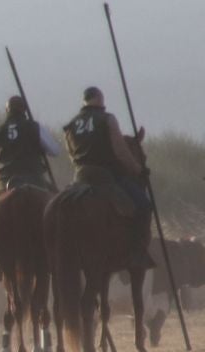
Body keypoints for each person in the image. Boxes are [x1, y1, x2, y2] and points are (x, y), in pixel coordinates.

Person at [63, 86, 150, 249]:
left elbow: (71, 155)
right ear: (99, 99)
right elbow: (120, 151)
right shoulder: (107, 119)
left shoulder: (70, 125)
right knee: (144, 205)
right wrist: (139, 169)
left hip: (79, 177)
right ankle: (138, 251)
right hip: (105, 177)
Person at [0, 96, 60, 280]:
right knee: (59, 211)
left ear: (7, 111)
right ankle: (61, 254)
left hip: (6, 182)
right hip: (34, 179)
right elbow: (55, 150)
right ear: (24, 110)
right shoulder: (35, 127)